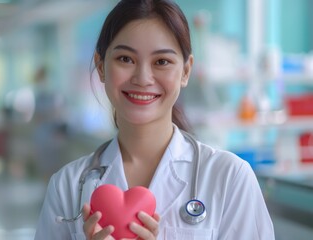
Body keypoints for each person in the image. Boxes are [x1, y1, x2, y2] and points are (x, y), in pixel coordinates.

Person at [34, 0, 275, 239]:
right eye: (125, 59)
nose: (143, 78)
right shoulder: (68, 185)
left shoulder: (230, 177)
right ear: (101, 67)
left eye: (162, 62)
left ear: (186, 71)